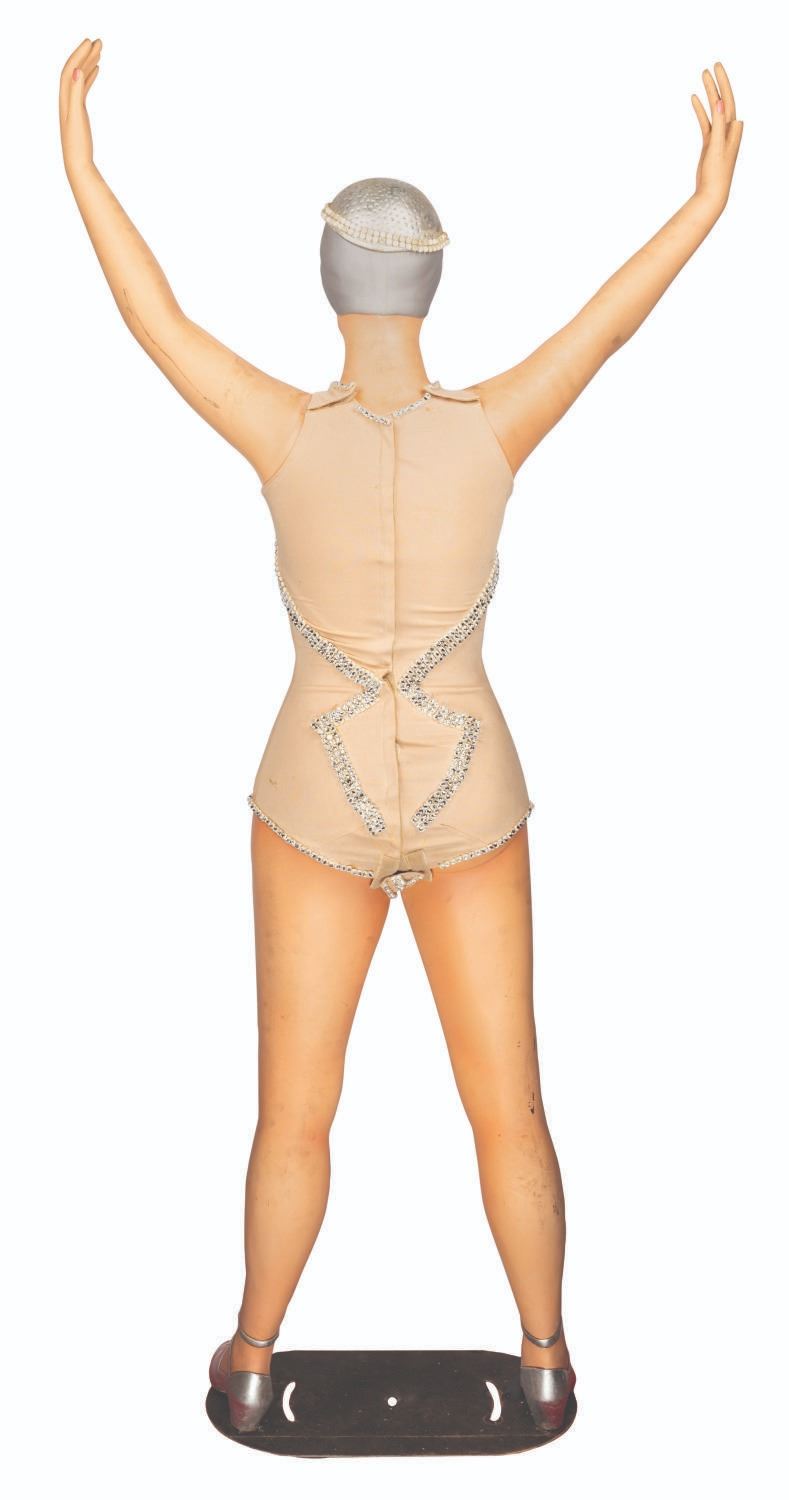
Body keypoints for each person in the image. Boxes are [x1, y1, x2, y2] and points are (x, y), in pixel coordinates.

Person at [59, 38, 743, 1437]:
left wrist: (78, 159)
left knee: (294, 1114)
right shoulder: (493, 426)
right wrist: (703, 203)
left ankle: (254, 1357)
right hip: (471, 796)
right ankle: (543, 1357)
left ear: (327, 281)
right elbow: (608, 324)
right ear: (436, 282)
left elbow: (150, 313)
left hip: (311, 803)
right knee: (510, 1105)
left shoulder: (279, 428)